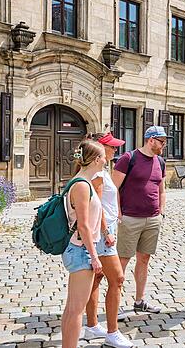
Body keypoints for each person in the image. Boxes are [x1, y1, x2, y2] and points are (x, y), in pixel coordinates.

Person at [83, 133, 133, 348]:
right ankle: (112, 333)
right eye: (111, 147)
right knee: (118, 279)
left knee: (97, 278)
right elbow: (98, 205)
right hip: (103, 233)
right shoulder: (99, 175)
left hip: (106, 228)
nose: (115, 150)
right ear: (101, 149)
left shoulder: (101, 171)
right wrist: (106, 231)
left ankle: (92, 325)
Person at [111, 126, 168, 314]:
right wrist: (118, 213)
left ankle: (140, 300)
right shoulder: (129, 158)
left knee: (144, 259)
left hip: (152, 219)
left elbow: (161, 190)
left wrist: (161, 212)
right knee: (123, 260)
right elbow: (113, 189)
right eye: (161, 141)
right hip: (130, 218)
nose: (163, 145)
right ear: (150, 140)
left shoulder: (160, 161)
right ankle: (115, 305)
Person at [60, 140, 106, 348]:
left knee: (72, 308)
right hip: (80, 250)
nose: (106, 160)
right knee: (76, 310)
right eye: (103, 156)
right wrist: (94, 257)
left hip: (78, 249)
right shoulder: (81, 186)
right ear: (96, 160)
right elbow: (84, 226)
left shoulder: (81, 182)